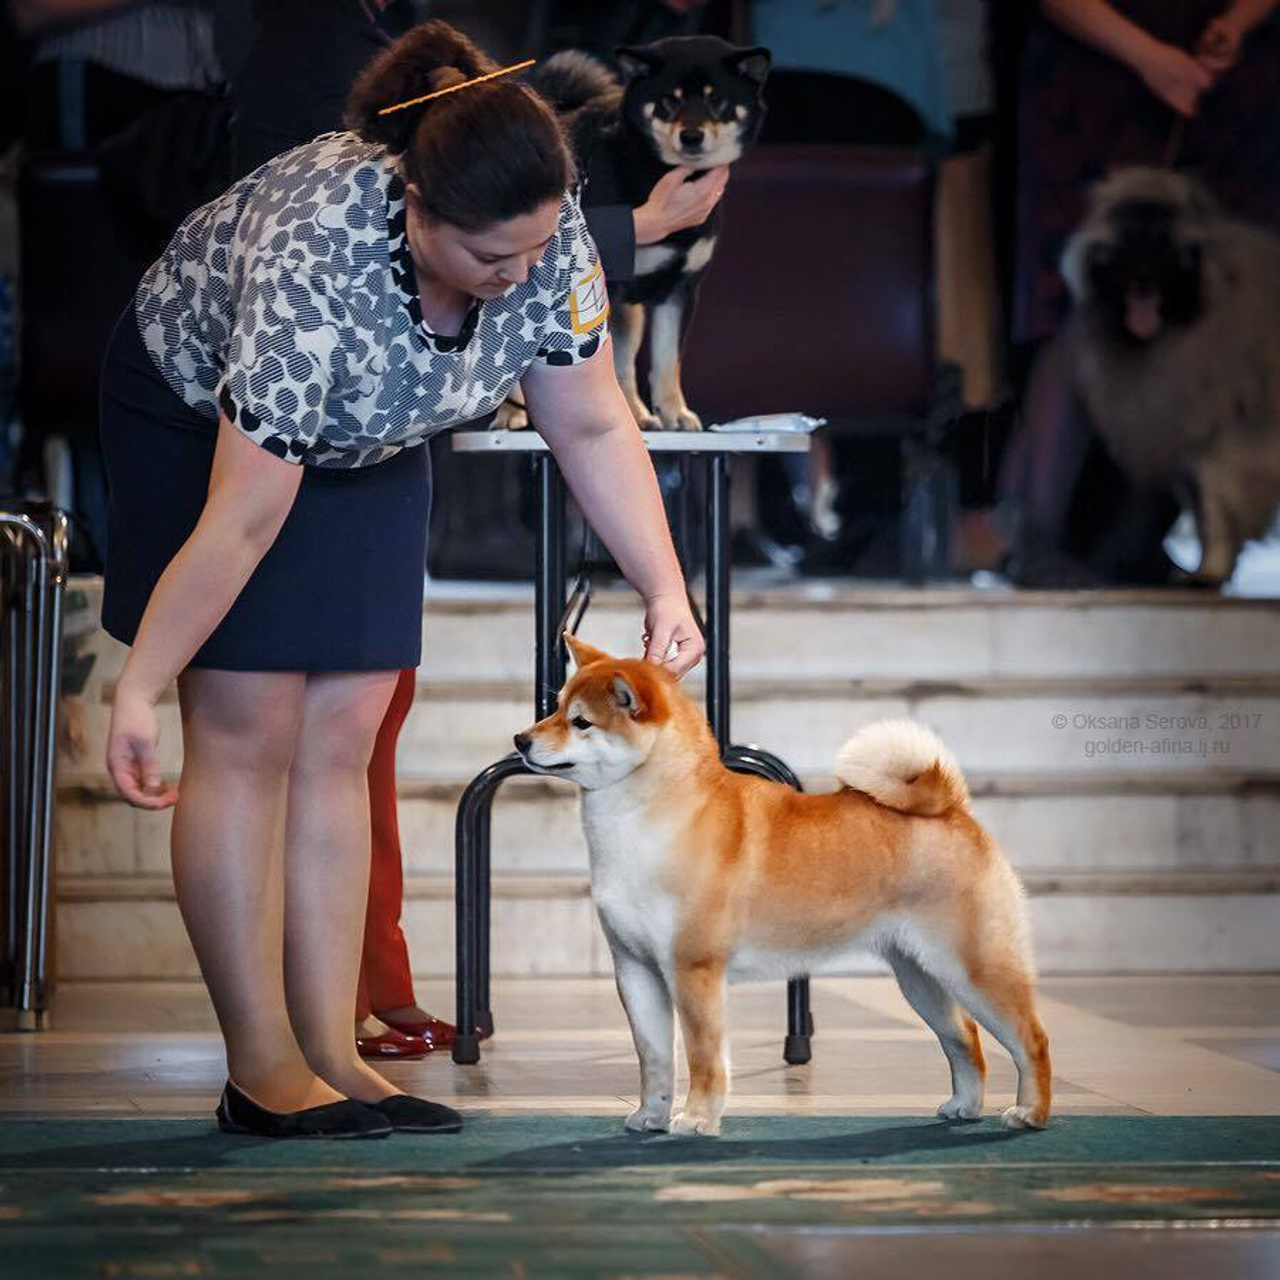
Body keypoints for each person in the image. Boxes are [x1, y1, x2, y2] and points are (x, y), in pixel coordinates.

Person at [98, 19, 706, 1139]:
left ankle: (334, 1051)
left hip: (376, 432)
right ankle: (262, 1067)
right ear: (420, 210)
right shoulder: (314, 253)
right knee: (250, 722)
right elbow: (241, 521)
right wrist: (139, 685)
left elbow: (589, 418)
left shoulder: (543, 223)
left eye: (532, 254)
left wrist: (664, 587)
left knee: (347, 727)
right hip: (201, 421)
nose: (518, 278)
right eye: (490, 260)